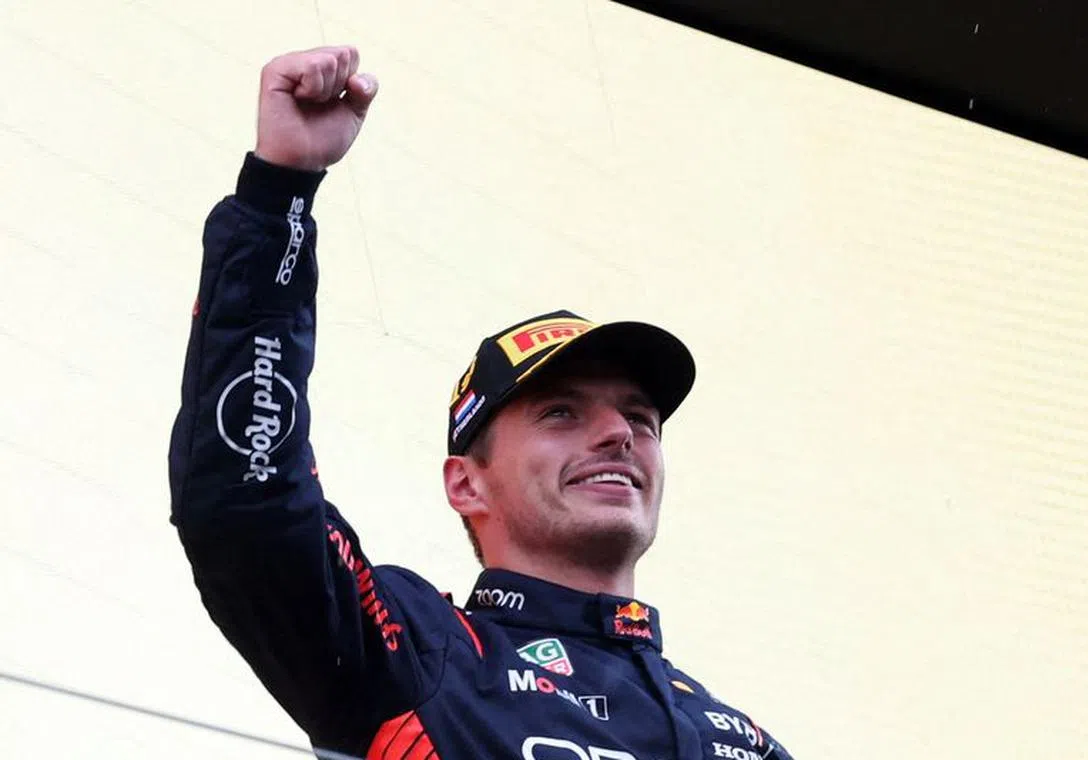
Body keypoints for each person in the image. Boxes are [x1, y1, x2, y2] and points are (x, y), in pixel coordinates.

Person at [168, 45, 795, 760]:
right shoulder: (419, 652)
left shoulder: (744, 742)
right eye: (561, 411)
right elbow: (246, 505)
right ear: (466, 483)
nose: (619, 433)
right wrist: (278, 194)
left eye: (641, 418)